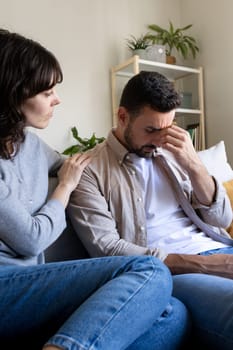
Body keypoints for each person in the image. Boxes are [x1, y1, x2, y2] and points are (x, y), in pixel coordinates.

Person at [0, 29, 191, 350]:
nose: (57, 99)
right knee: (147, 269)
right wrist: (65, 189)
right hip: (7, 288)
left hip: (30, 290)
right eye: (47, 93)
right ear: (13, 94)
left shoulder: (28, 143)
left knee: (174, 315)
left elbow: (76, 165)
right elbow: (31, 240)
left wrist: (128, 156)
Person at [68, 70, 233, 349]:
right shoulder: (89, 170)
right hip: (174, 272)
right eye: (151, 130)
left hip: (221, 252)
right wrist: (205, 264)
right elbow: (106, 248)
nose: (160, 139)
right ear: (122, 117)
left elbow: (223, 218)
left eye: (167, 128)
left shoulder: (173, 152)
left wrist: (193, 164)